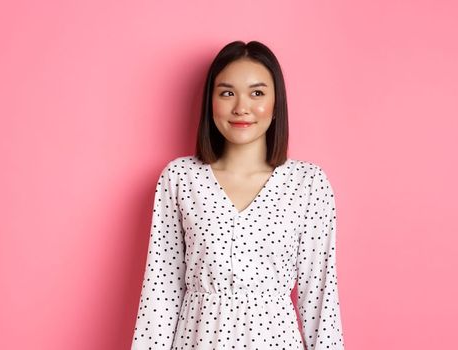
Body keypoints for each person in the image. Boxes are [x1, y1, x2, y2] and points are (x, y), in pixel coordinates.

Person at [131, 40, 344, 350]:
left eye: (257, 93)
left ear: (276, 104)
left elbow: (320, 298)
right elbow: (160, 292)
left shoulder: (307, 183)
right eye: (227, 93)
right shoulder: (180, 178)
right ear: (211, 102)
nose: (241, 107)